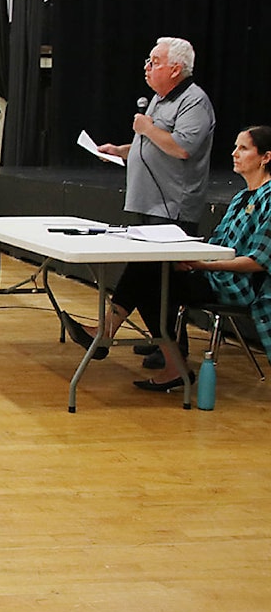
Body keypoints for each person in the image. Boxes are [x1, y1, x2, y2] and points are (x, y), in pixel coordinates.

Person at [63, 125, 271, 392]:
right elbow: (218, 242)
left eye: (243, 148)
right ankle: (122, 339)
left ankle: (108, 332)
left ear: (265, 157)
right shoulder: (242, 197)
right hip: (213, 273)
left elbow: (257, 262)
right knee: (151, 269)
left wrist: (202, 264)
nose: (234, 153)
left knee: (152, 281)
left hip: (238, 286)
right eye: (235, 147)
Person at [96, 36, 216, 370]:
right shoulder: (159, 100)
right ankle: (165, 345)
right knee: (154, 280)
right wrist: (121, 150)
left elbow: (182, 148)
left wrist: (147, 129)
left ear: (176, 68)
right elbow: (152, 144)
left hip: (173, 205)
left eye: (155, 61)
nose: (147, 67)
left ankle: (111, 332)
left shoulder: (194, 101)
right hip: (148, 202)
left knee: (155, 277)